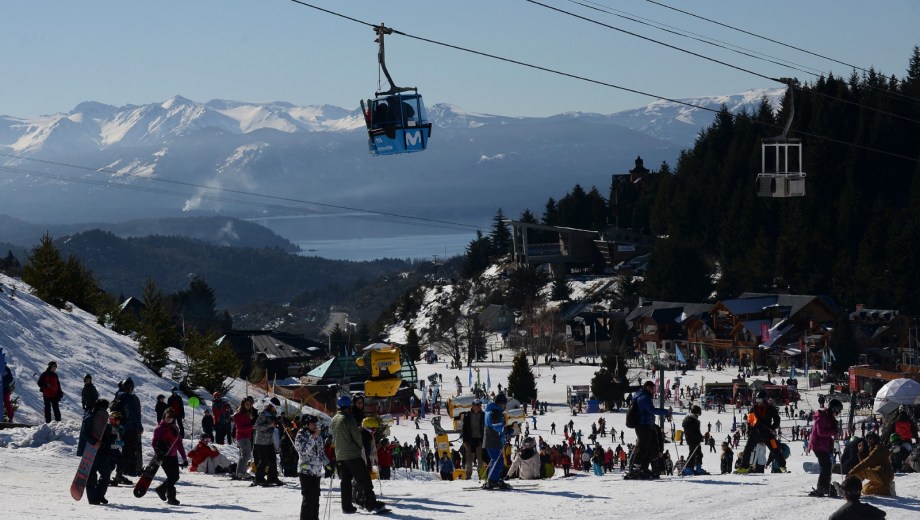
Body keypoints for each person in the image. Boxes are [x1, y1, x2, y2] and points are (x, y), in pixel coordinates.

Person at [330, 394, 386, 513]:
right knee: (365, 479)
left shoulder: (334, 419)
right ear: (349, 406)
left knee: (345, 482)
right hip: (353, 455)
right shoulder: (349, 418)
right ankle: (371, 504)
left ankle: (346, 507)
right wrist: (360, 447)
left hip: (340, 455)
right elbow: (356, 437)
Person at [624, 381, 671, 480]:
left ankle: (642, 468)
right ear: (648, 388)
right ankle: (636, 468)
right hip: (642, 425)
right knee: (643, 447)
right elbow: (652, 410)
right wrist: (666, 412)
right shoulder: (644, 397)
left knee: (647, 448)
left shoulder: (641, 396)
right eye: (653, 389)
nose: (653, 391)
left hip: (645, 425)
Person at [735, 390, 786, 474]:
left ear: (764, 399)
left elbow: (777, 419)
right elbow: (750, 421)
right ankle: (744, 467)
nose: (758, 402)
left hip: (768, 433)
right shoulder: (753, 408)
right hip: (755, 433)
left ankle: (782, 466)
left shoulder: (771, 408)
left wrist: (773, 427)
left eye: (760, 400)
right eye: (757, 400)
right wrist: (749, 430)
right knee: (747, 449)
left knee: (775, 449)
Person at [152, 408, 188, 506]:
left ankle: (161, 489)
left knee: (175, 476)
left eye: (171, 418)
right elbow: (154, 443)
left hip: (173, 456)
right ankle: (171, 498)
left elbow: (179, 444)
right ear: (164, 416)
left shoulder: (175, 428)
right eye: (167, 417)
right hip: (164, 457)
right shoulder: (159, 429)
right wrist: (159, 451)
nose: (169, 419)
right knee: (172, 477)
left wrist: (184, 458)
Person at [295, 414, 328, 520]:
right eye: (313, 424)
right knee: (308, 497)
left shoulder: (319, 436)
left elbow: (321, 453)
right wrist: (312, 438)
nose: (315, 426)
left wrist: (328, 464)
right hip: (305, 470)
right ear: (307, 424)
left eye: (316, 423)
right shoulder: (301, 435)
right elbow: (303, 452)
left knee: (315, 498)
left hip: (317, 471)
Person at [82, 399, 115, 505]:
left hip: (102, 451)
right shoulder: (89, 418)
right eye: (103, 408)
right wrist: (94, 442)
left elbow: (106, 435)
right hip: (91, 451)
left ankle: (100, 495)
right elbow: (85, 433)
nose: (105, 410)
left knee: (106, 473)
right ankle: (92, 498)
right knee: (91, 476)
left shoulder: (105, 420)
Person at [809, 398, 843, 497]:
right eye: (838, 410)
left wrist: (836, 430)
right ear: (833, 408)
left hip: (824, 445)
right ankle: (822, 488)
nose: (838, 413)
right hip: (818, 444)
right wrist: (834, 432)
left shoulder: (829, 416)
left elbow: (830, 429)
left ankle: (824, 487)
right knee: (825, 467)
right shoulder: (822, 416)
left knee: (827, 466)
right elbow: (821, 432)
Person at [113, 377, 142, 481]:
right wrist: (139, 426)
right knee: (131, 449)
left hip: (120, 427)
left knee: (123, 448)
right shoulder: (130, 399)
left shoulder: (118, 396)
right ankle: (130, 470)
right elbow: (135, 414)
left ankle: (122, 470)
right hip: (131, 428)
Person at [846, 432, 894, 496]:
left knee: (861, 471)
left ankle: (849, 489)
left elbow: (866, 463)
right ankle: (886, 489)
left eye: (870, 438)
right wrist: (860, 452)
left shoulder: (878, 449)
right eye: (867, 439)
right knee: (865, 490)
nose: (868, 440)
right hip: (882, 475)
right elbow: (866, 463)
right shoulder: (872, 448)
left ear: (876, 439)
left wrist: (851, 473)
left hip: (884, 473)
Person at [483, 393, 511, 489]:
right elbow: (497, 428)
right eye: (504, 404)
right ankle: (492, 481)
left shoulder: (490, 410)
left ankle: (493, 479)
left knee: (495, 460)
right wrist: (506, 429)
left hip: (490, 439)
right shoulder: (495, 412)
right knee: (498, 461)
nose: (505, 406)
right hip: (493, 440)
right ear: (501, 403)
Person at [253, 397, 283, 486]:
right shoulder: (263, 414)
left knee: (273, 460)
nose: (276, 409)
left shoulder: (273, 414)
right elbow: (257, 426)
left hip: (270, 441)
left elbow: (273, 424)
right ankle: (259, 479)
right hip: (261, 441)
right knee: (264, 460)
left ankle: (272, 478)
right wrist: (269, 425)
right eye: (275, 407)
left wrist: (277, 422)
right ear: (271, 406)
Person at [232, 396, 257, 479]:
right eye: (246, 404)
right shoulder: (240, 414)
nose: (248, 406)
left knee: (246, 455)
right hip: (242, 437)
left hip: (246, 436)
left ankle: (241, 472)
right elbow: (240, 428)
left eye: (249, 404)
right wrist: (251, 427)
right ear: (243, 405)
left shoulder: (246, 413)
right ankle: (240, 472)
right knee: (245, 455)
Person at [462, 398, 485, 479]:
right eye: (477, 405)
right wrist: (464, 440)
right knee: (469, 459)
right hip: (469, 440)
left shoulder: (483, 415)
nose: (479, 407)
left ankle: (481, 475)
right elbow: (464, 429)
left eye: (480, 405)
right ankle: (468, 475)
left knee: (480, 459)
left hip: (480, 439)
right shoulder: (467, 415)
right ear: (473, 406)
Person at [681, 405, 706, 475]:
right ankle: (689, 468)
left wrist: (700, 436)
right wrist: (699, 437)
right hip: (692, 439)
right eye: (699, 413)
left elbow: (695, 431)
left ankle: (697, 467)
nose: (699, 414)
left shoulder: (692, 418)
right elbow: (692, 431)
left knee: (698, 453)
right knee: (693, 453)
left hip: (693, 438)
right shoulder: (691, 419)